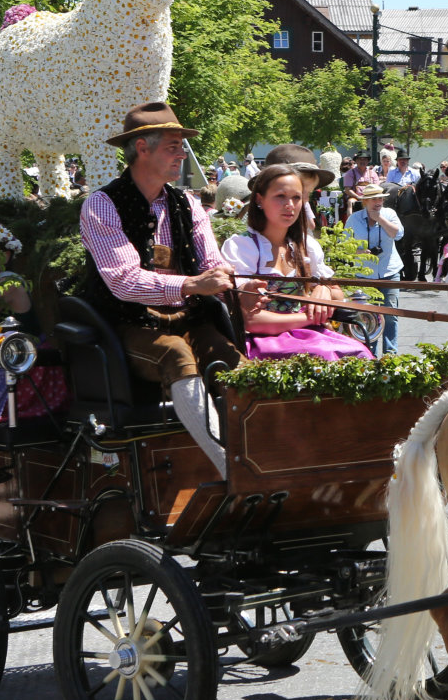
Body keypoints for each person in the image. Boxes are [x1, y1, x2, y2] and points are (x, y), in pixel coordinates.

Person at [79, 103, 241, 474]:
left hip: (188, 316)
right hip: (128, 325)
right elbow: (122, 281)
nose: (182, 153)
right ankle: (230, 470)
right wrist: (191, 283)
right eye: (173, 145)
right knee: (177, 355)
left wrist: (236, 284)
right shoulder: (101, 205)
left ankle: (263, 456)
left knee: (233, 361)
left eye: (181, 145)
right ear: (141, 148)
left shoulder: (187, 203)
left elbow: (212, 264)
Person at [220, 165, 371, 362]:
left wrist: (324, 291)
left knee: (358, 354)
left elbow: (337, 293)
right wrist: (309, 318)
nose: (290, 204)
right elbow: (251, 320)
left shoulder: (305, 246)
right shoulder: (243, 246)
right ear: (259, 199)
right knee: (323, 356)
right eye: (280, 196)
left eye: (296, 198)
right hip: (263, 343)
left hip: (306, 336)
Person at [346, 182, 404, 355]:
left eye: (380, 198)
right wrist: (358, 251)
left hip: (389, 272)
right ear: (365, 202)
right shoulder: (354, 219)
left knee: (390, 315)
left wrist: (380, 219)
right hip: (365, 274)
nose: (378, 202)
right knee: (367, 317)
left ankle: (390, 355)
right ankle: (369, 355)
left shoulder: (389, 214)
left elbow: (398, 234)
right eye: (373, 199)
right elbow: (343, 244)